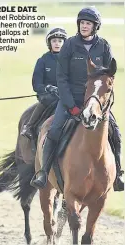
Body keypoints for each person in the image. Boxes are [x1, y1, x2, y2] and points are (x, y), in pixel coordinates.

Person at [31, 6, 124, 191]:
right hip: (70, 100)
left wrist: (101, 101)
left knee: (116, 132)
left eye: (88, 23)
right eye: (82, 23)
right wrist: (71, 106)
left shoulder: (104, 46)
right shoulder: (69, 45)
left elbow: (108, 77)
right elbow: (61, 78)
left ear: (95, 26)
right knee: (54, 130)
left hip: (96, 102)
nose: (84, 26)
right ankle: (43, 172)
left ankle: (119, 173)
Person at [21, 27, 67, 139]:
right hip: (48, 95)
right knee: (47, 100)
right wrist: (48, 88)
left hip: (66, 94)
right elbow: (36, 84)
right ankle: (29, 126)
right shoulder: (43, 60)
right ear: (49, 43)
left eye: (60, 41)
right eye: (54, 41)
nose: (57, 44)